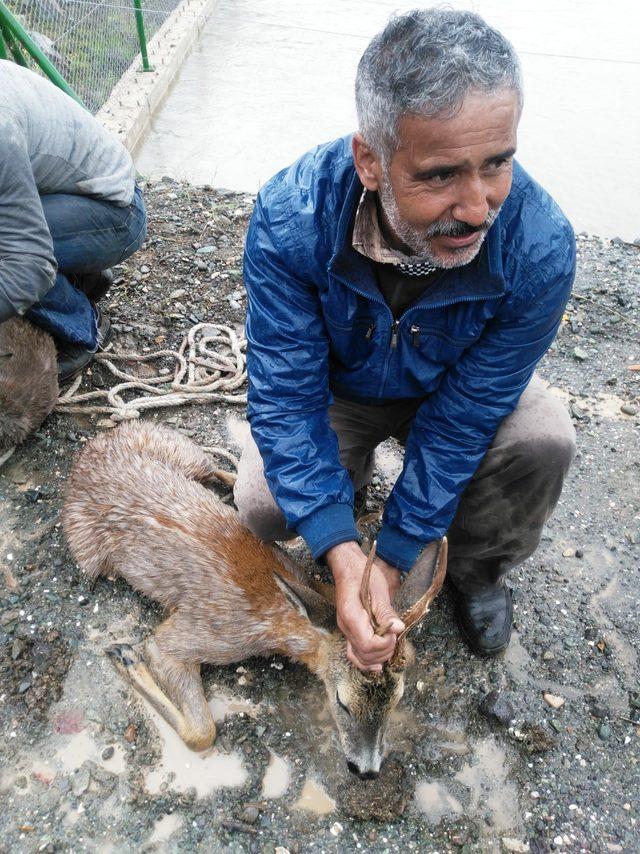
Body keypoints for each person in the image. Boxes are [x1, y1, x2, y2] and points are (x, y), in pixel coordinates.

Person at [235, 9, 576, 670]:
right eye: (441, 175)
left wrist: (393, 553)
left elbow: (467, 416)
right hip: (345, 385)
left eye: (497, 163)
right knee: (265, 502)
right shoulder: (290, 217)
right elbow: (286, 397)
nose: (478, 207)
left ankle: (478, 569)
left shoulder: (541, 248)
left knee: (544, 441)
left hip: (453, 381)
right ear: (370, 159)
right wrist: (340, 546)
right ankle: (344, 501)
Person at [0, 60, 147, 381]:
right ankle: (84, 276)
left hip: (118, 214)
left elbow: (27, 265)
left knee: (8, 251)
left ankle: (80, 329)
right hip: (78, 197)